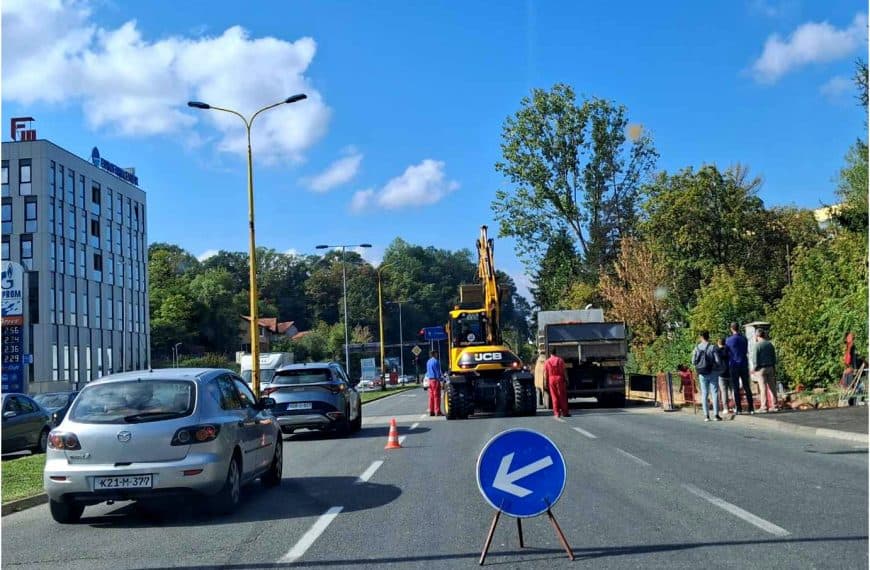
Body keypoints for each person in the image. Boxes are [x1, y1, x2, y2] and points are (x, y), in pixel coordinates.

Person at [692, 330, 721, 421]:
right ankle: (716, 415)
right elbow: (718, 361)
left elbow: (693, 361)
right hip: (713, 372)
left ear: (701, 337)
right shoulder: (713, 347)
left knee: (704, 393)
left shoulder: (697, 348)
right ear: (708, 336)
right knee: (715, 393)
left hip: (702, 373)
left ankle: (706, 416)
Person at [726, 322, 754, 415]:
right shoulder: (744, 339)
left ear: (731, 328)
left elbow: (727, 352)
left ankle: (739, 408)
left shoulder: (728, 340)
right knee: (746, 386)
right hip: (743, 363)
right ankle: (751, 407)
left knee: (736, 387)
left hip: (734, 365)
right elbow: (745, 350)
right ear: (738, 328)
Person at [753, 328, 778, 412]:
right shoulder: (770, 344)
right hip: (770, 367)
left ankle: (764, 407)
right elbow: (774, 357)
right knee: (772, 387)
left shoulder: (757, 345)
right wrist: (774, 367)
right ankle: (775, 405)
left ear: (757, 336)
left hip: (761, 369)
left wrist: (754, 369)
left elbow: (755, 359)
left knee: (763, 388)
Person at [544, 348, 570, 418]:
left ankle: (556, 413)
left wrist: (545, 383)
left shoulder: (547, 362)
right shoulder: (560, 360)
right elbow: (564, 371)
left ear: (550, 353)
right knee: (562, 396)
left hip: (551, 379)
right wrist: (567, 379)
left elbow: (545, 374)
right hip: (559, 378)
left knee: (554, 396)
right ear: (556, 353)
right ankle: (565, 412)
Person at [715, 338, 732, 414]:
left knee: (724, 391)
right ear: (725, 343)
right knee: (733, 390)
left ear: (718, 343)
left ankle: (726, 408)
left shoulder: (717, 351)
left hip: (721, 373)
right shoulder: (729, 349)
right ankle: (736, 406)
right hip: (730, 371)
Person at [426, 351, 443, 416]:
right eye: (437, 353)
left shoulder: (428, 362)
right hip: (435, 380)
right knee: (437, 396)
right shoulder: (436, 361)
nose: (437, 355)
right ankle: (437, 411)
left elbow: (427, 372)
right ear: (435, 354)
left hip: (430, 380)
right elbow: (437, 372)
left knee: (431, 397)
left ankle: (431, 411)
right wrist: (441, 380)